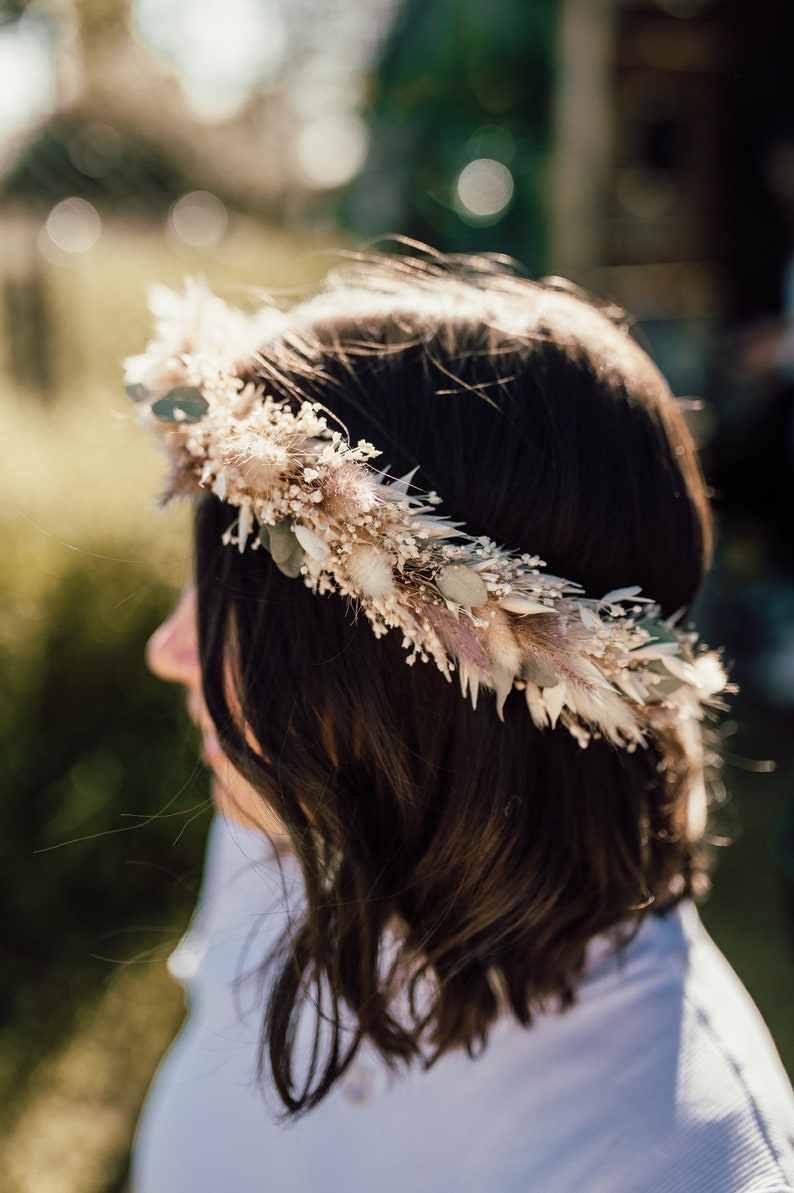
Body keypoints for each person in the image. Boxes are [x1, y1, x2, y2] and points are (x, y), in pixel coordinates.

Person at [126, 251, 794, 1192]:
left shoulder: (680, 1160)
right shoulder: (294, 839)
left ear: (411, 678)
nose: (169, 649)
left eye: (239, 602)